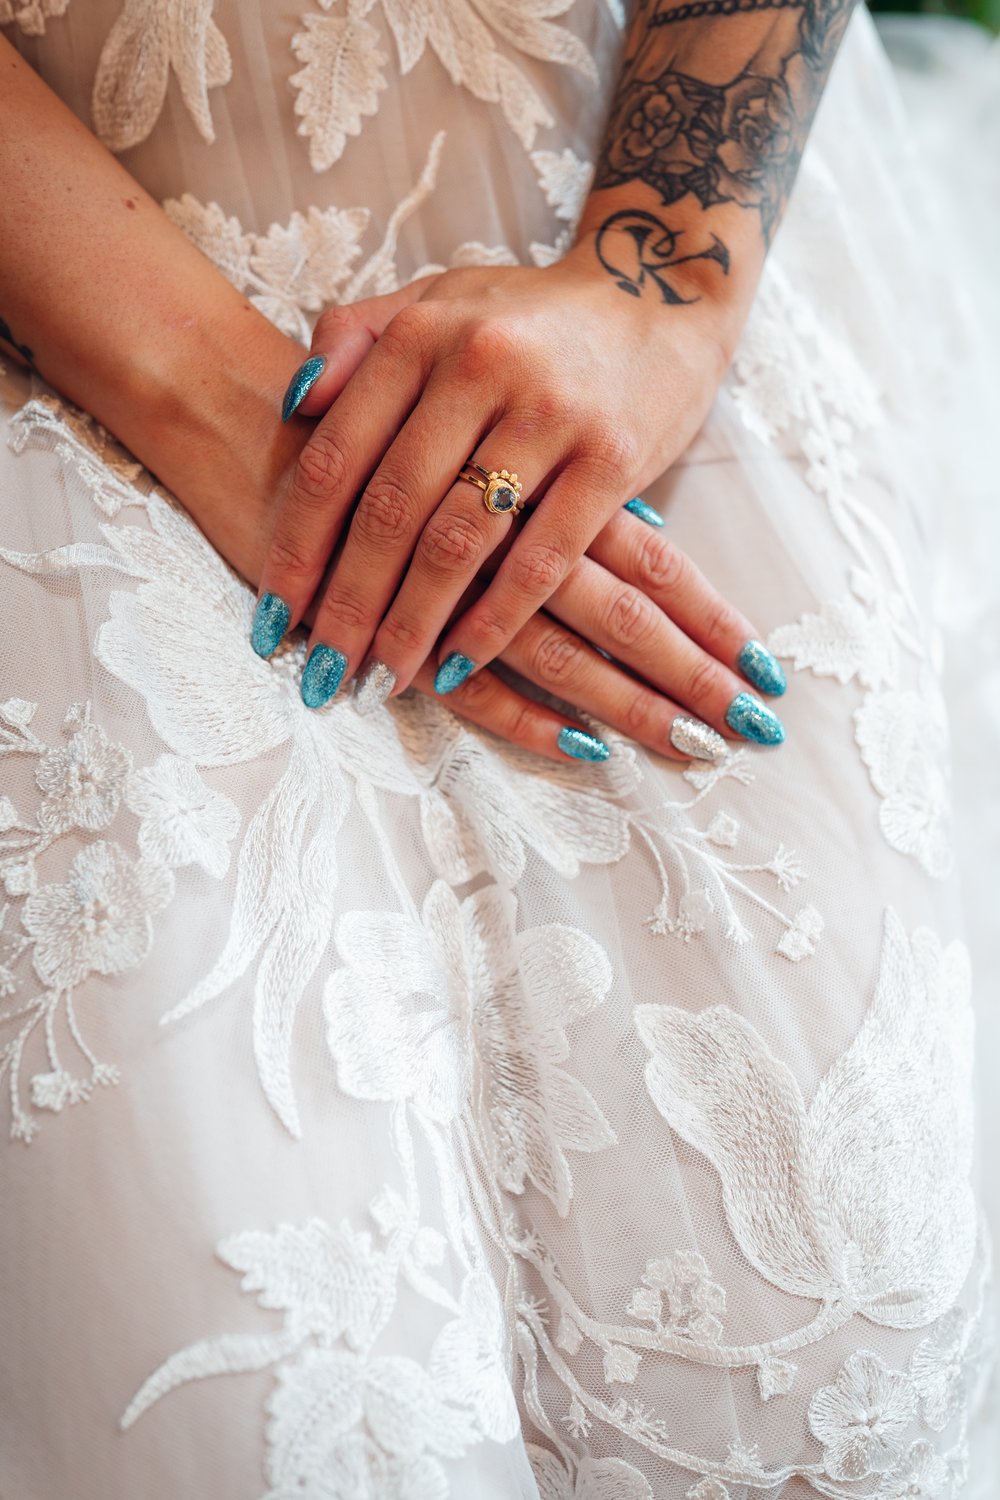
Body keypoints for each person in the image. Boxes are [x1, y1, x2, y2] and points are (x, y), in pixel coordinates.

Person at [0, 1, 995, 1496]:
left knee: (826, 1314)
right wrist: (244, 416)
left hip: (625, 229)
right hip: (73, 313)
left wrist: (656, 283)